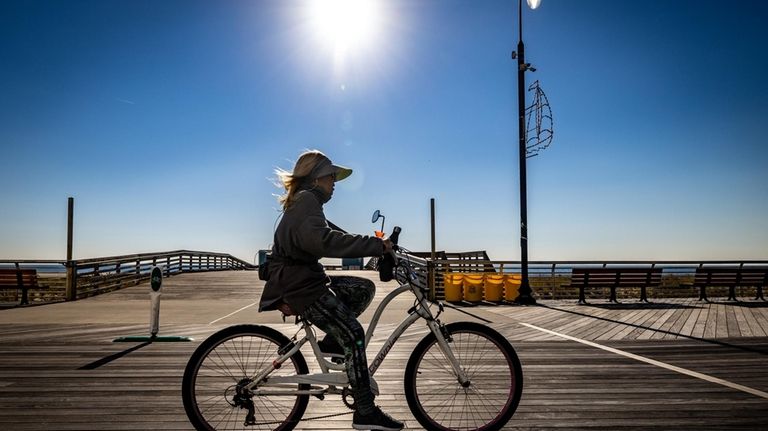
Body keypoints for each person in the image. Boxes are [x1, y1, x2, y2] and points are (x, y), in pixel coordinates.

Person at [259, 150, 404, 431]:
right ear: (316, 178)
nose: (335, 182)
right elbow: (325, 242)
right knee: (354, 334)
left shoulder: (306, 201)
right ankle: (365, 411)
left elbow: (332, 234)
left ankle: (331, 344)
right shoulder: (307, 201)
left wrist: (378, 243)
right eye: (331, 176)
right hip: (300, 285)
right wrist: (375, 246)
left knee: (362, 288)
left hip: (306, 279)